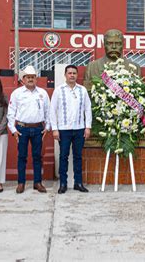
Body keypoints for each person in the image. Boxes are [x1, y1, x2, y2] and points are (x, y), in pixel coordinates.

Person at [7, 65, 50, 194]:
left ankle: (37, 182)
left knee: (37, 157)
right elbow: (11, 113)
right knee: (22, 157)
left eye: (33, 77)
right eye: (28, 77)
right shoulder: (17, 93)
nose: (30, 79)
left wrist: (47, 127)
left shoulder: (42, 93)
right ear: (23, 79)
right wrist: (13, 130)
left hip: (38, 129)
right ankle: (21, 183)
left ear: (36, 79)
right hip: (22, 129)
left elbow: (48, 112)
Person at [50, 65, 92, 194]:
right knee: (63, 157)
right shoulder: (59, 90)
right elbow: (53, 110)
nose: (72, 75)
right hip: (63, 130)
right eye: (69, 73)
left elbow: (87, 109)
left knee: (78, 157)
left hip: (79, 129)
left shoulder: (82, 90)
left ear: (77, 75)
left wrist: (88, 127)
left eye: (74, 73)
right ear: (65, 75)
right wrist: (55, 129)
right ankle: (63, 183)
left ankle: (78, 183)